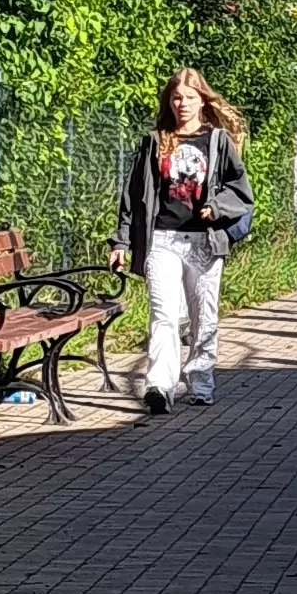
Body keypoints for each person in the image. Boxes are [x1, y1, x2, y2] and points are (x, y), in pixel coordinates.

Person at [118, 69, 253, 413]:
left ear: (202, 101)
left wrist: (216, 208)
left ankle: (200, 381)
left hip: (204, 242)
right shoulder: (155, 140)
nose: (182, 104)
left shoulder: (218, 141)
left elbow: (242, 192)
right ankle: (159, 386)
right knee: (162, 314)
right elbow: (132, 195)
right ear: (169, 101)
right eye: (177, 97)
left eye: (190, 97)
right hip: (161, 239)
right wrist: (121, 242)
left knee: (203, 316)